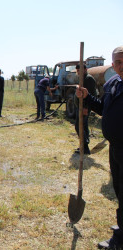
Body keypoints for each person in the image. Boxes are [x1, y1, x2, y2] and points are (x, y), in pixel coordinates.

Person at [76, 46, 123, 249]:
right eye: (118, 62)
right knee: (120, 189)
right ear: (113, 65)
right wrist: (86, 96)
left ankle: (120, 239)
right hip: (115, 148)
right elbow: (103, 108)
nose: (122, 65)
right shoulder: (113, 83)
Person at [74, 64, 97, 155]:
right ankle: (83, 146)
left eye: (80, 70)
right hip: (80, 107)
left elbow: (91, 95)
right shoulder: (81, 78)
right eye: (77, 70)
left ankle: (85, 147)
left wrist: (86, 108)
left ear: (85, 69)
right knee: (83, 126)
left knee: (79, 126)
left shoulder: (88, 79)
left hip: (84, 107)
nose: (79, 72)